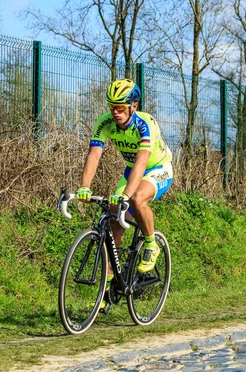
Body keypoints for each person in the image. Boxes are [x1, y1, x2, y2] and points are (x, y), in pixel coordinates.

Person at [76, 79, 174, 307]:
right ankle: (109, 282)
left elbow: (141, 163)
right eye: (112, 107)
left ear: (134, 106)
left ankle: (151, 244)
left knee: (137, 198)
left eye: (121, 107)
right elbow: (94, 155)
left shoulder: (145, 124)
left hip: (157, 168)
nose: (115, 112)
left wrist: (126, 194)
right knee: (113, 217)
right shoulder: (105, 123)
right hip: (131, 170)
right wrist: (84, 187)